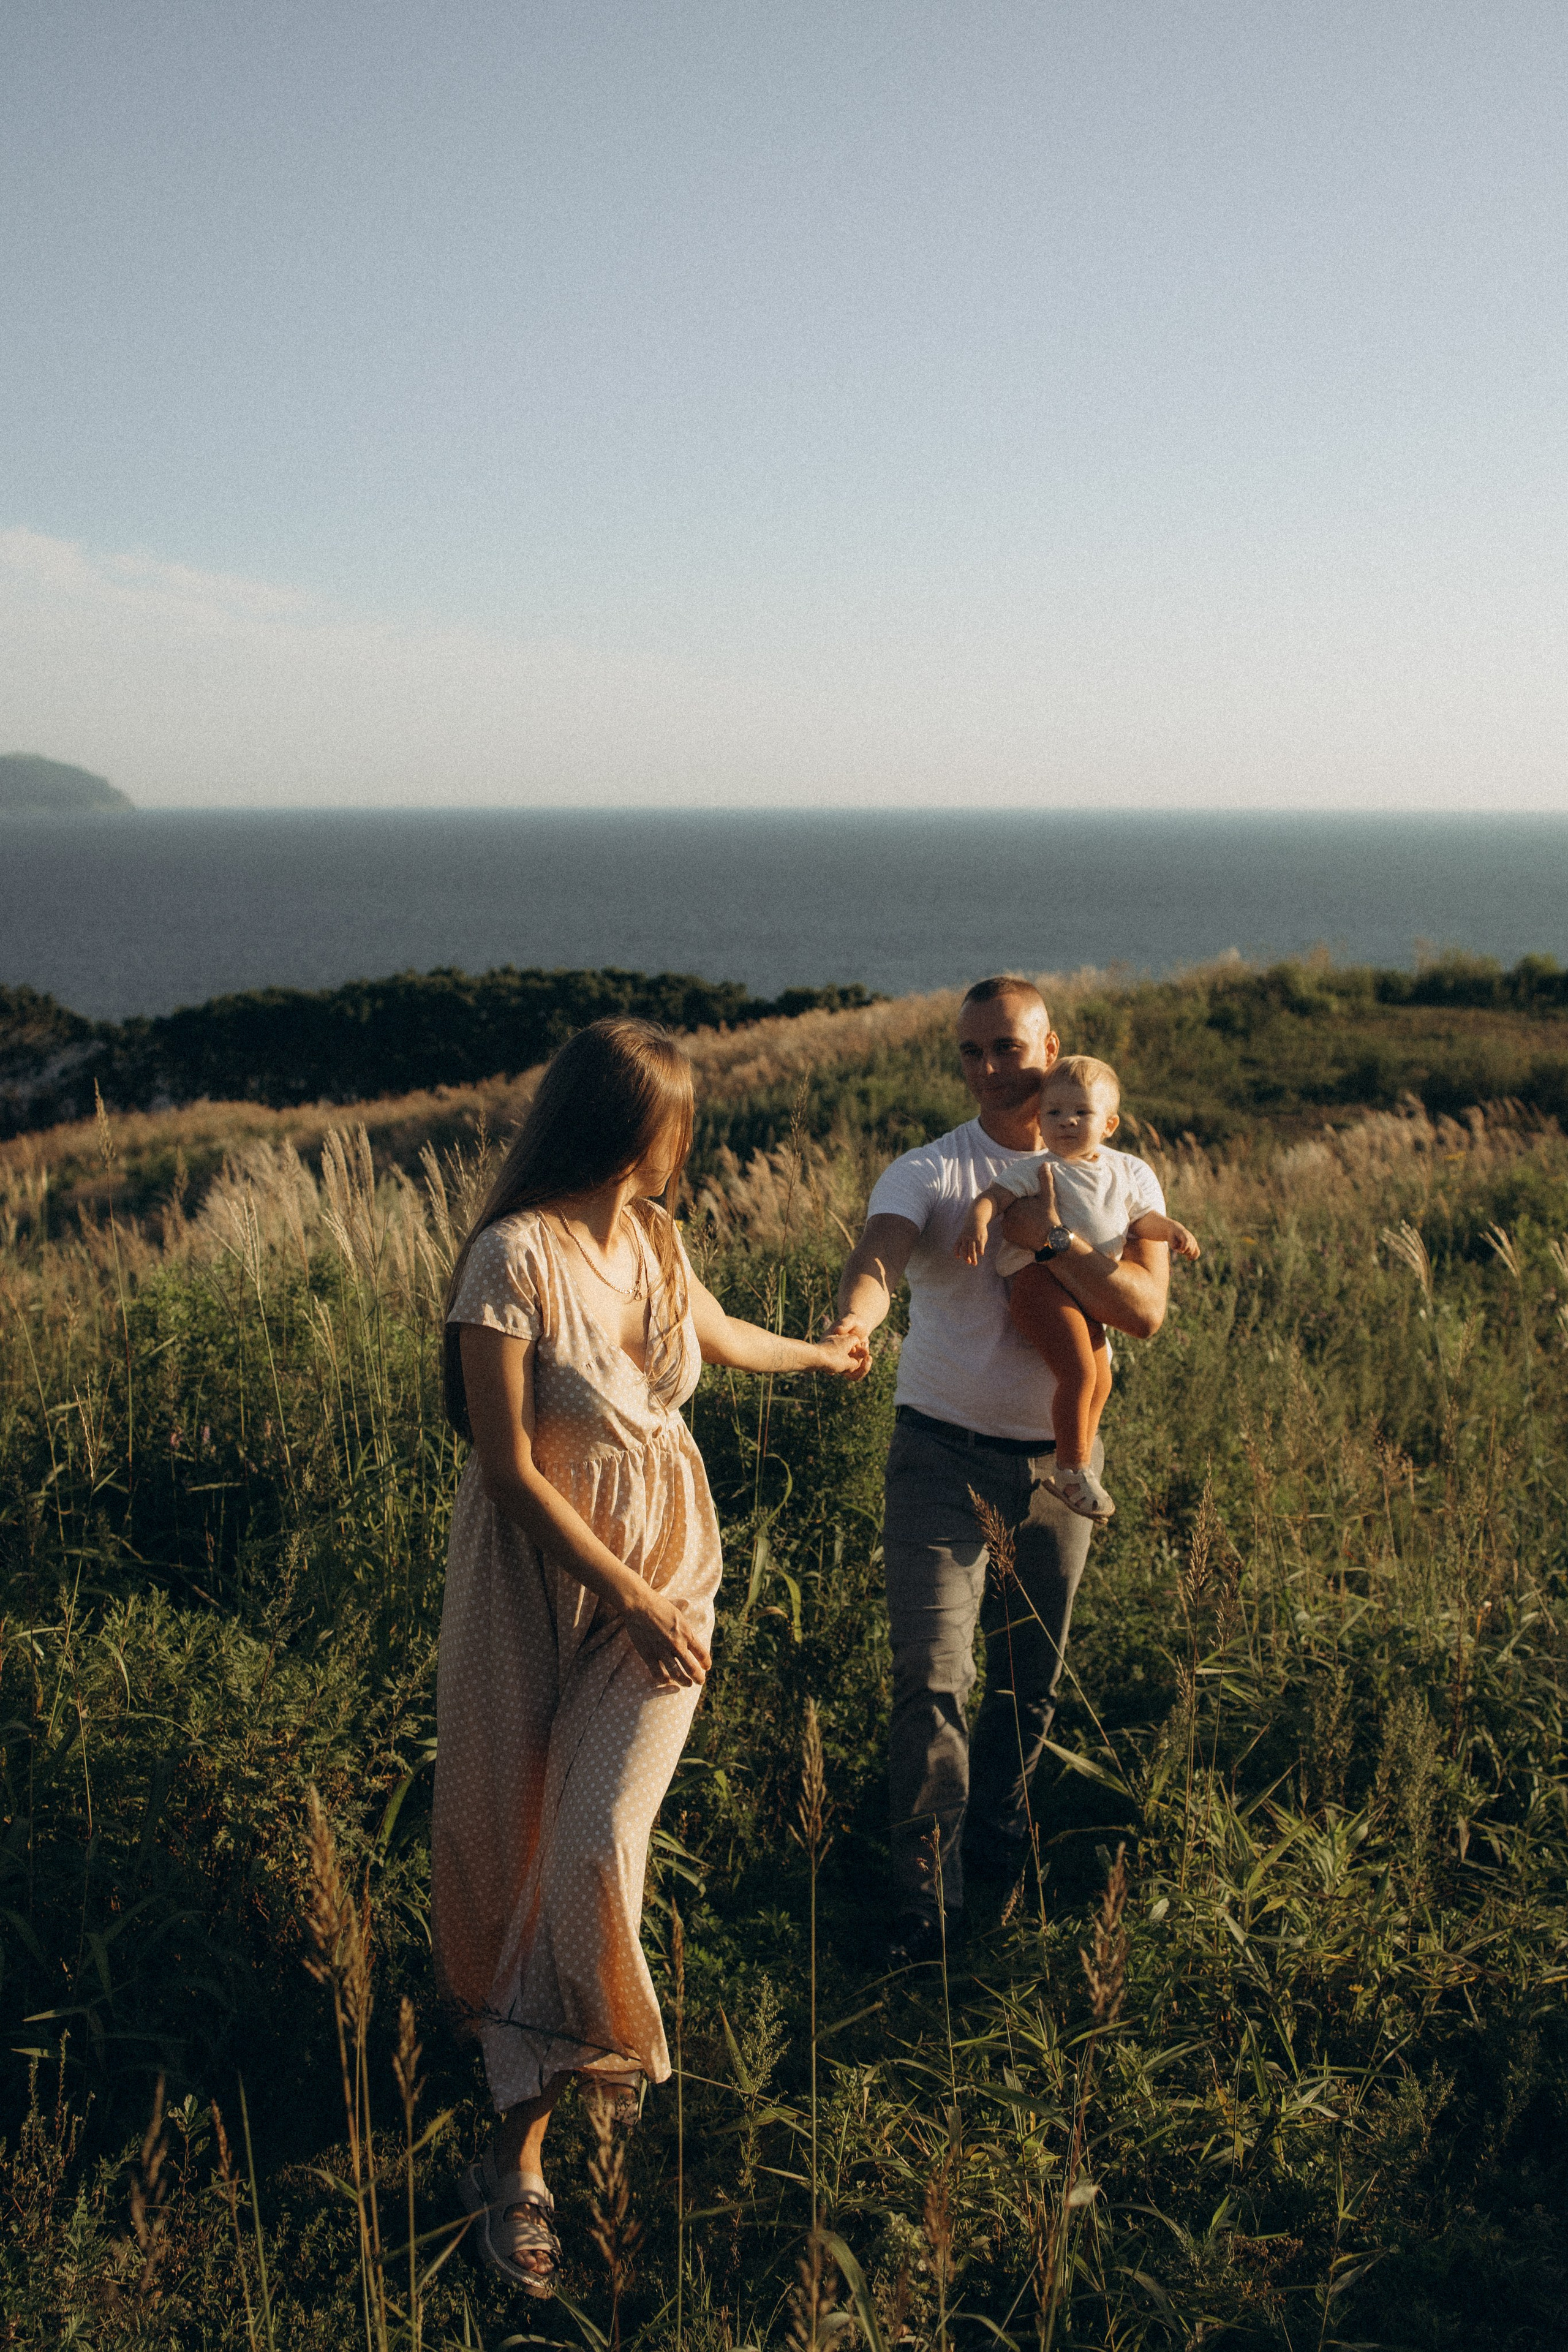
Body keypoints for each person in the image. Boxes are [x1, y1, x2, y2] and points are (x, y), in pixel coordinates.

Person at [434, 1017, 868, 2297]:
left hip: (669, 1579)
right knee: (515, 1844)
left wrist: (821, 1352)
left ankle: (542, 2137)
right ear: (637, 1126)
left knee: (589, 1846)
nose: (694, 1139)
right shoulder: (512, 1258)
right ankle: (523, 2146)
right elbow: (510, 1469)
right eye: (681, 1117)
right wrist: (616, 1595)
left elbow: (716, 1331)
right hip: (541, 1583)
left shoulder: (656, 1242)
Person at [828, 978, 1169, 1966]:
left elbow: (1145, 1312)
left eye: (1007, 1049)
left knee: (1031, 1688)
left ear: (1049, 1045)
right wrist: (855, 1319)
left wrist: (1052, 1241)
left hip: (1060, 1472)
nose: (988, 1070)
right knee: (932, 1681)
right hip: (937, 1456)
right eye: (970, 1053)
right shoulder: (932, 1170)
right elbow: (879, 1254)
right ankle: (925, 1914)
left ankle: (1003, 1878)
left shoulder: (1126, 1174)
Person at [955, 1055, 1199, 1522]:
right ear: (1040, 1121)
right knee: (1080, 1374)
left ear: (1108, 1125)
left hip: (1082, 1291)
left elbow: (1140, 1221)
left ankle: (1079, 1463)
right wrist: (976, 1222)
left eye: (1081, 1113)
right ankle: (1070, 1468)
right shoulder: (1041, 1169)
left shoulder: (1122, 1171)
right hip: (1038, 1283)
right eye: (1054, 1113)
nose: (1066, 1122)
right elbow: (994, 1197)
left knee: (1102, 1376)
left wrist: (1172, 1230)